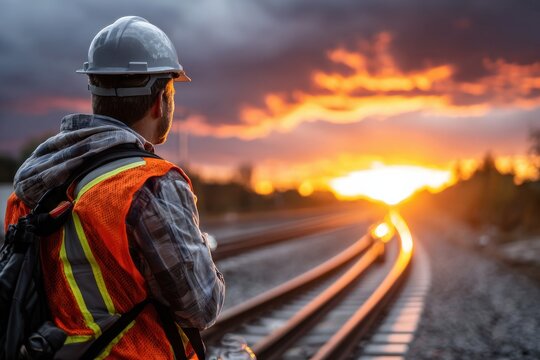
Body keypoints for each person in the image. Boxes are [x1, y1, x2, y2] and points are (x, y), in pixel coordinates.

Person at [4, 16, 225, 359]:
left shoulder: (30, 189)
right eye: (172, 91)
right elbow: (201, 305)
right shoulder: (147, 185)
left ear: (95, 93)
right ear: (159, 101)